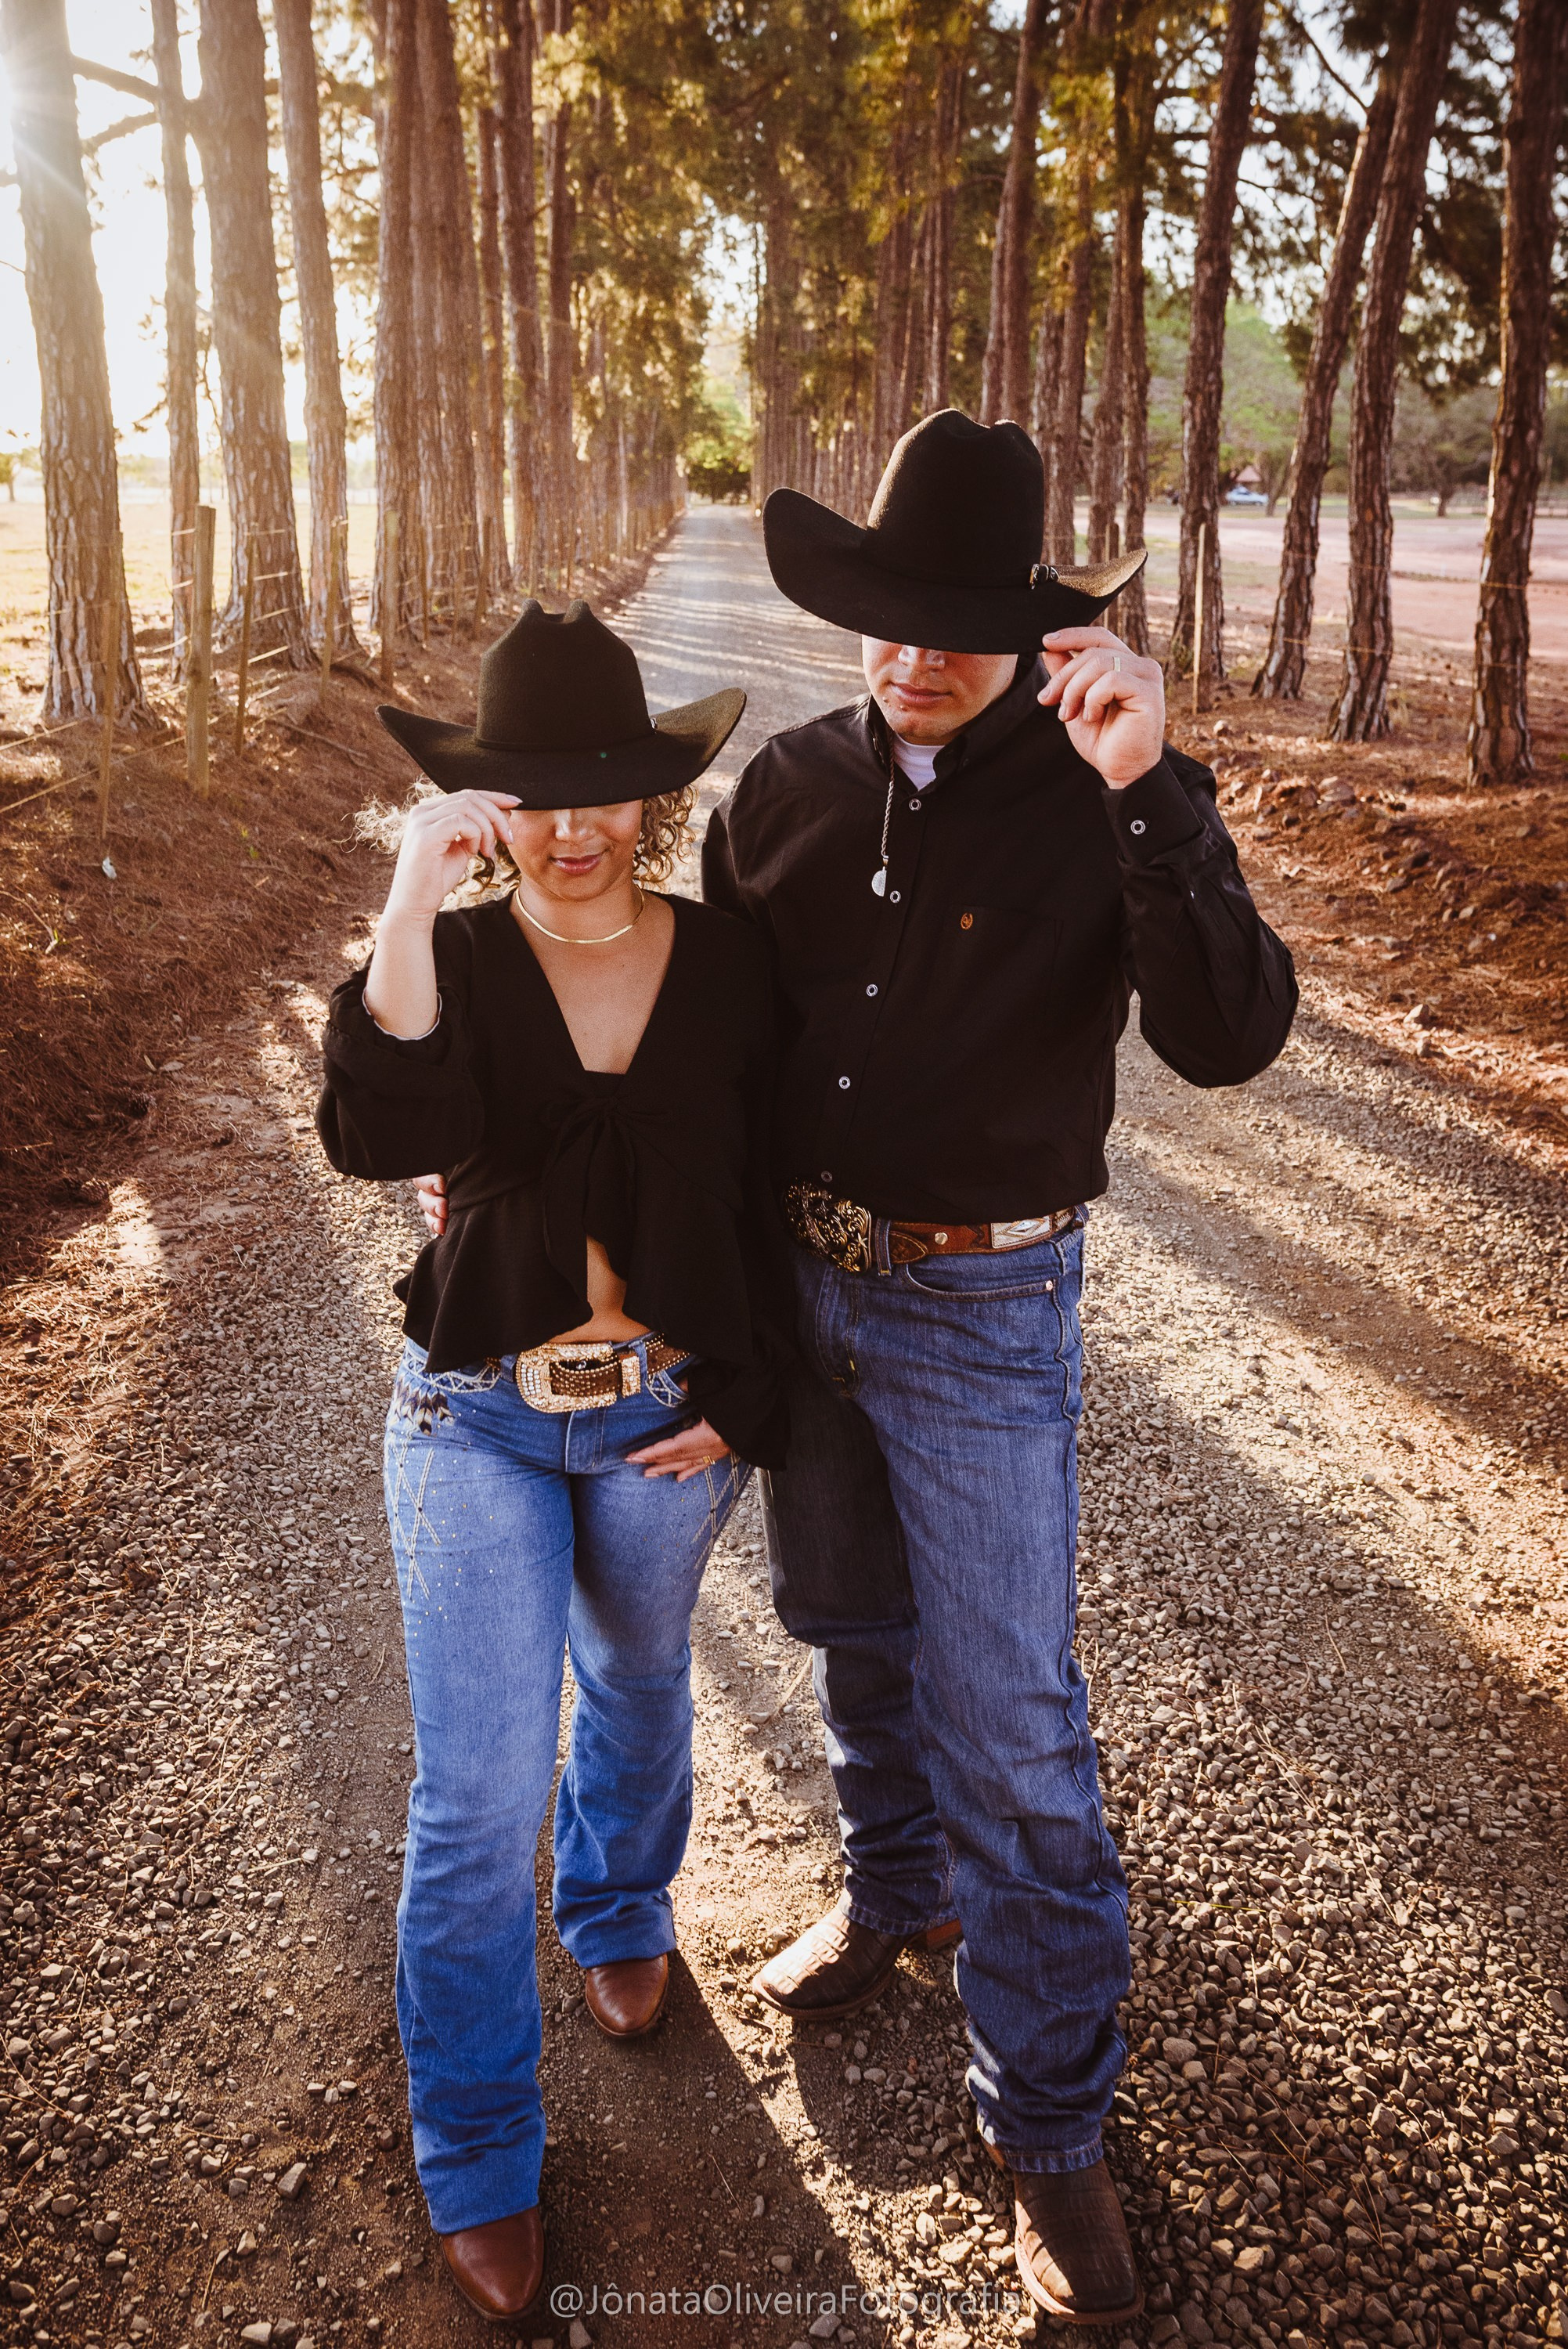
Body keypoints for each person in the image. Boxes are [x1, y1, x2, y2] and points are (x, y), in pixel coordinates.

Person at [700, 409, 1299, 2325]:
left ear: (1031, 634)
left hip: (986, 1315)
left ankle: (1048, 2128)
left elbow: (1230, 1038)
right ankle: (896, 1891)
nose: (922, 649)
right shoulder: (782, 790)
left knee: (1017, 1732)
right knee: (849, 1630)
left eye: (967, 616)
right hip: (804, 1280)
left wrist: (1162, 797)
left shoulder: (1102, 788)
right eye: (896, 609)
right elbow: (710, 1069)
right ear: (858, 611)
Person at [315, 601, 786, 2324]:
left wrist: (759, 1391)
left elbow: (775, 1186)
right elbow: (381, 1129)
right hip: (479, 1416)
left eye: (605, 789)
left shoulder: (729, 963)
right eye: (533, 796)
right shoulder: (455, 952)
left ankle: (619, 1901)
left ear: (653, 797)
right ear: (488, 809)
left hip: (664, 1414)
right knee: (476, 1793)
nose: (575, 824)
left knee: (645, 1679)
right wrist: (411, 895)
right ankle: (479, 2140)